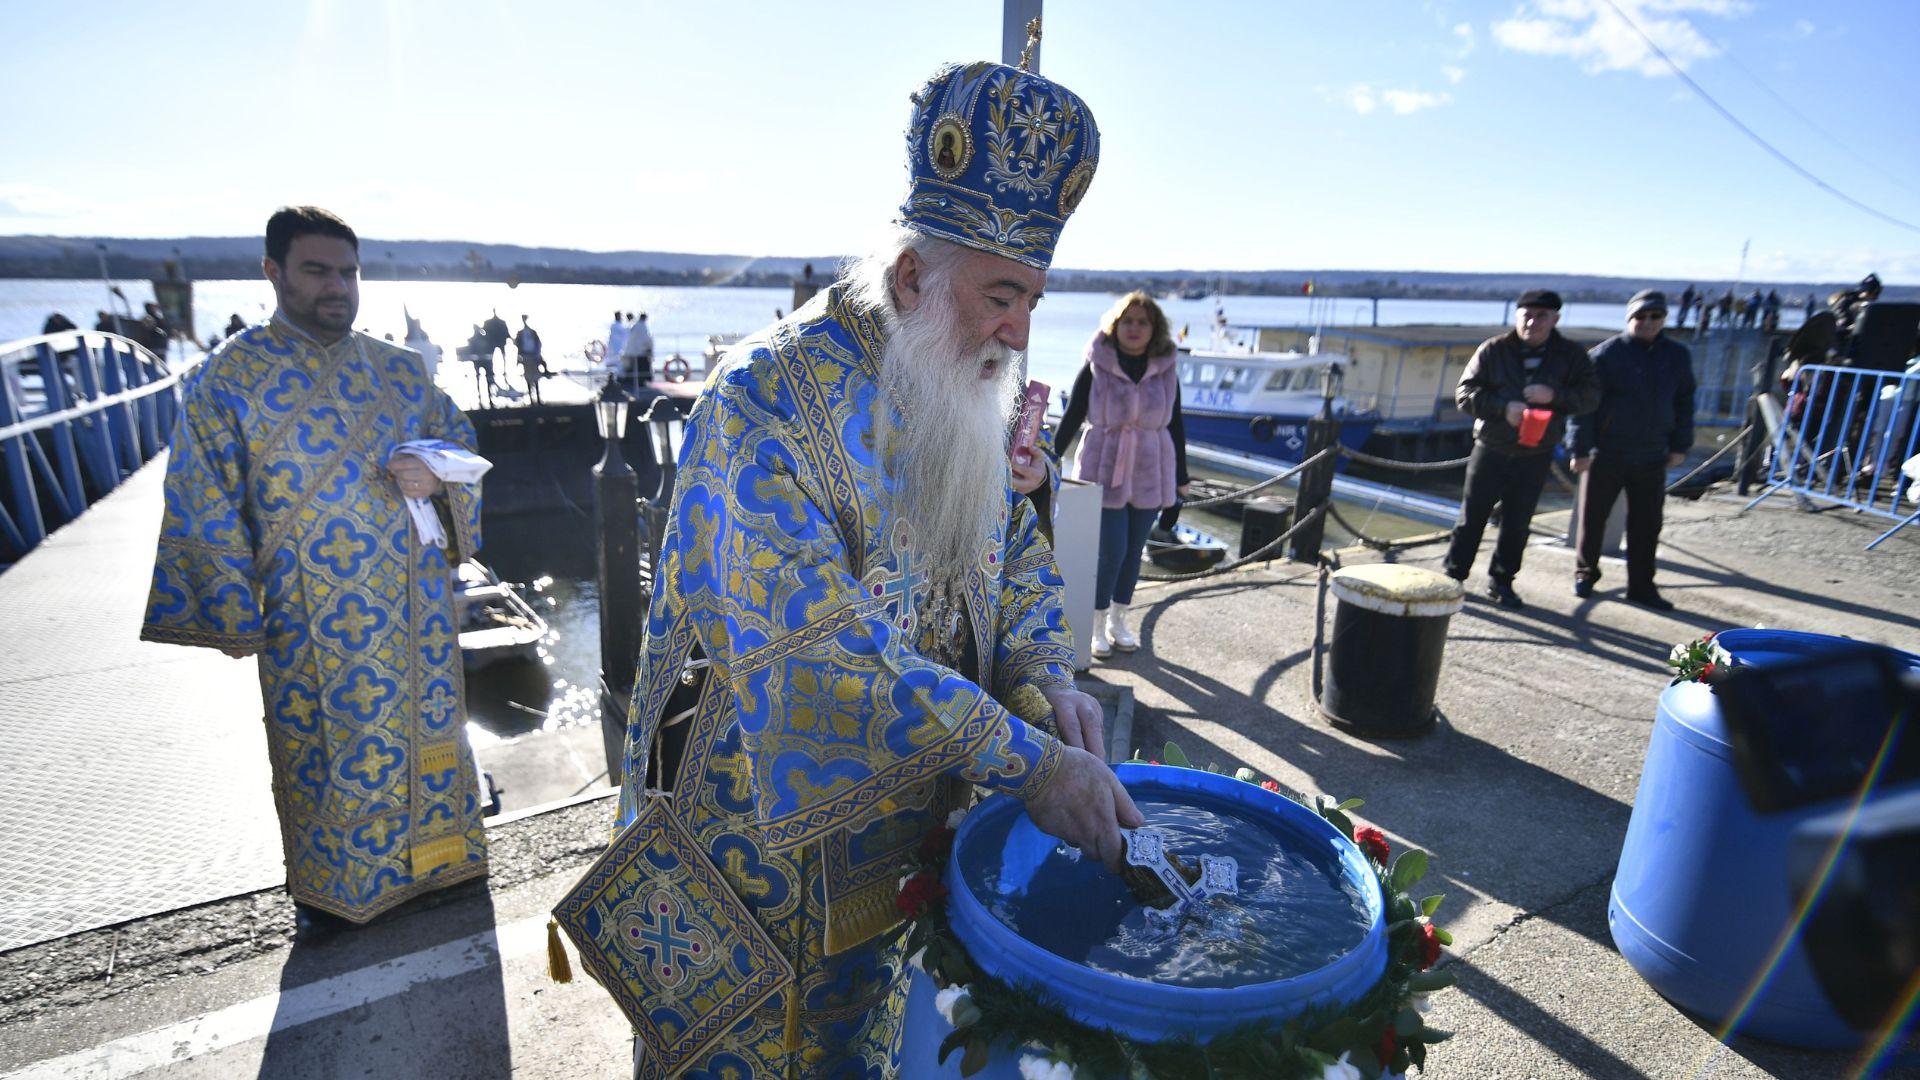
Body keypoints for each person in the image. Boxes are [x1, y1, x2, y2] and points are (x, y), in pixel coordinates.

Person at [566, 57, 1134, 1080]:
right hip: (745, 851)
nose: (1016, 330)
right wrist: (1033, 765)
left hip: (892, 836)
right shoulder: (763, 401)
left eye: (1033, 301)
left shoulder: (956, 378)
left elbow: (1011, 558)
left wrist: (1047, 675)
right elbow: (819, 657)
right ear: (914, 276)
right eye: (1000, 295)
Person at [140, 207, 487, 941]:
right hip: (309, 621)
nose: (338, 287)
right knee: (329, 751)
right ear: (273, 272)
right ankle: (339, 891)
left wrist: (436, 473)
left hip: (416, 612)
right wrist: (230, 612)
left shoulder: (399, 370)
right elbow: (202, 498)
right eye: (318, 270)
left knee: (431, 740)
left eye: (349, 272)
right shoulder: (226, 379)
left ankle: (441, 866)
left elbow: (460, 442)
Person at [1443, 289, 1600, 608]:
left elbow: (1590, 397)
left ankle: (1502, 581)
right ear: (1516, 316)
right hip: (1492, 446)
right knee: (1472, 516)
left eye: (1541, 315)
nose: (1533, 321)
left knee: (1518, 522)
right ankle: (1453, 576)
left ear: (1555, 319)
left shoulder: (1571, 355)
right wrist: (1503, 408)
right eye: (1527, 314)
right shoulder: (1493, 350)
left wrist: (1553, 395)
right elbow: (1464, 394)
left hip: (1536, 452)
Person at [1053, 290, 1190, 657]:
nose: (1134, 328)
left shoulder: (1165, 369)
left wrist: (1182, 477)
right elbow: (1072, 416)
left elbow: (1176, 423)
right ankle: (1096, 624)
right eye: (1127, 321)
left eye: (1142, 322)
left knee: (1134, 551)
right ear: (1115, 324)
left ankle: (1119, 620)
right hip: (1104, 466)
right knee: (1111, 550)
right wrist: (1049, 457)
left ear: (1154, 328)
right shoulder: (1098, 364)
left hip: (1150, 468)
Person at [1566, 290, 1695, 611]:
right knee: (1593, 518)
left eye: (1655, 317)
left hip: (1652, 454)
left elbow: (1685, 403)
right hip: (1606, 452)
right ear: (1629, 318)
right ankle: (1585, 573)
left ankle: (1641, 586)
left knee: (1647, 524)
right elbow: (1584, 408)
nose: (1648, 322)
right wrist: (1579, 449)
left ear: (1664, 319)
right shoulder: (1605, 356)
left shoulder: (1677, 356)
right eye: (1641, 316)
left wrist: (1681, 445)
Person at [513, 315, 547, 404]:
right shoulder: (521, 333)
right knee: (528, 376)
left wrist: (537, 354)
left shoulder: (531, 332)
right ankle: (532, 399)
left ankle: (537, 398)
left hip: (533, 356)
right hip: (526, 356)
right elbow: (518, 345)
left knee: (535, 377)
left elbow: (538, 343)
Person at [618, 309, 653, 387]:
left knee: (633, 368)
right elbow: (646, 339)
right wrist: (649, 349)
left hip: (632, 351)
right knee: (641, 367)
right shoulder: (641, 326)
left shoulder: (635, 325)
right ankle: (641, 382)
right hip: (638, 352)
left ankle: (634, 381)